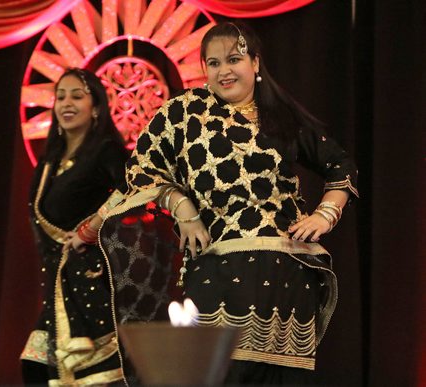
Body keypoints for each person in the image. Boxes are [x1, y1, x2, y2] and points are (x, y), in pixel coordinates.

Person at [71, 22, 359, 385]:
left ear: (256, 63)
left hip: (285, 275)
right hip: (217, 272)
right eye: (213, 62)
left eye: (234, 59)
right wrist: (183, 210)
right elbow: (141, 172)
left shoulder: (282, 119)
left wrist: (325, 215)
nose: (224, 71)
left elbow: (341, 166)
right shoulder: (184, 115)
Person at [20, 67, 129, 386]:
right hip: (57, 282)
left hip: (89, 280)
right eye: (60, 96)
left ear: (95, 107)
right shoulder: (50, 160)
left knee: (91, 376)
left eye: (77, 96)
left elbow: (137, 187)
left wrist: (93, 225)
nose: (66, 103)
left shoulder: (105, 151)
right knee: (38, 367)